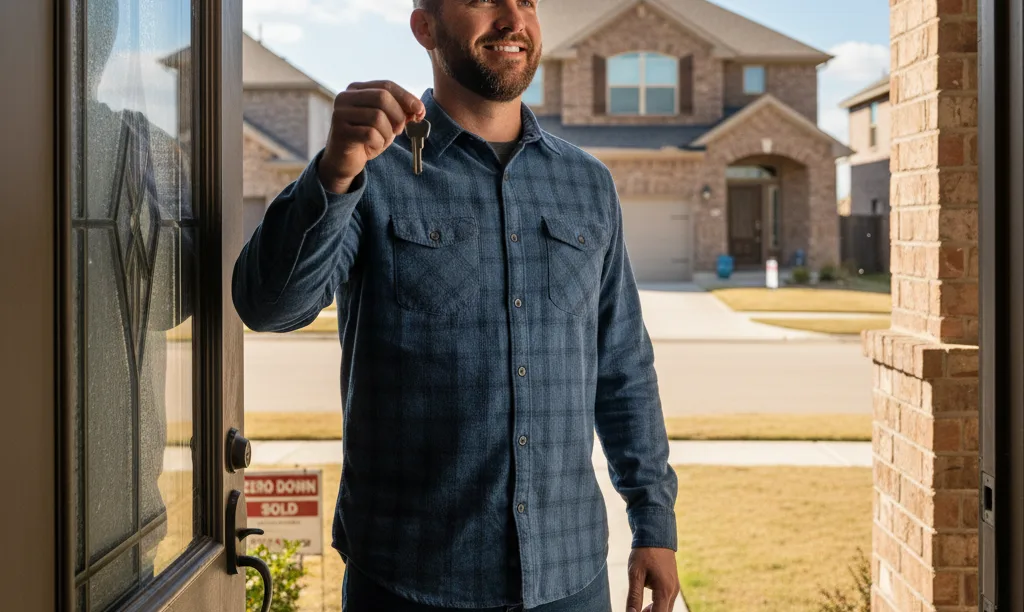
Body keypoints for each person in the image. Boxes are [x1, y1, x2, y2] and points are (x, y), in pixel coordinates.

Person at [232, 0, 680, 610]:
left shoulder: (588, 184)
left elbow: (623, 365)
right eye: (480, 0)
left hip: (569, 577)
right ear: (425, 28)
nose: (510, 19)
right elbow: (270, 307)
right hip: (409, 578)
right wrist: (335, 171)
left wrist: (653, 521)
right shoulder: (370, 172)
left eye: (526, 1)